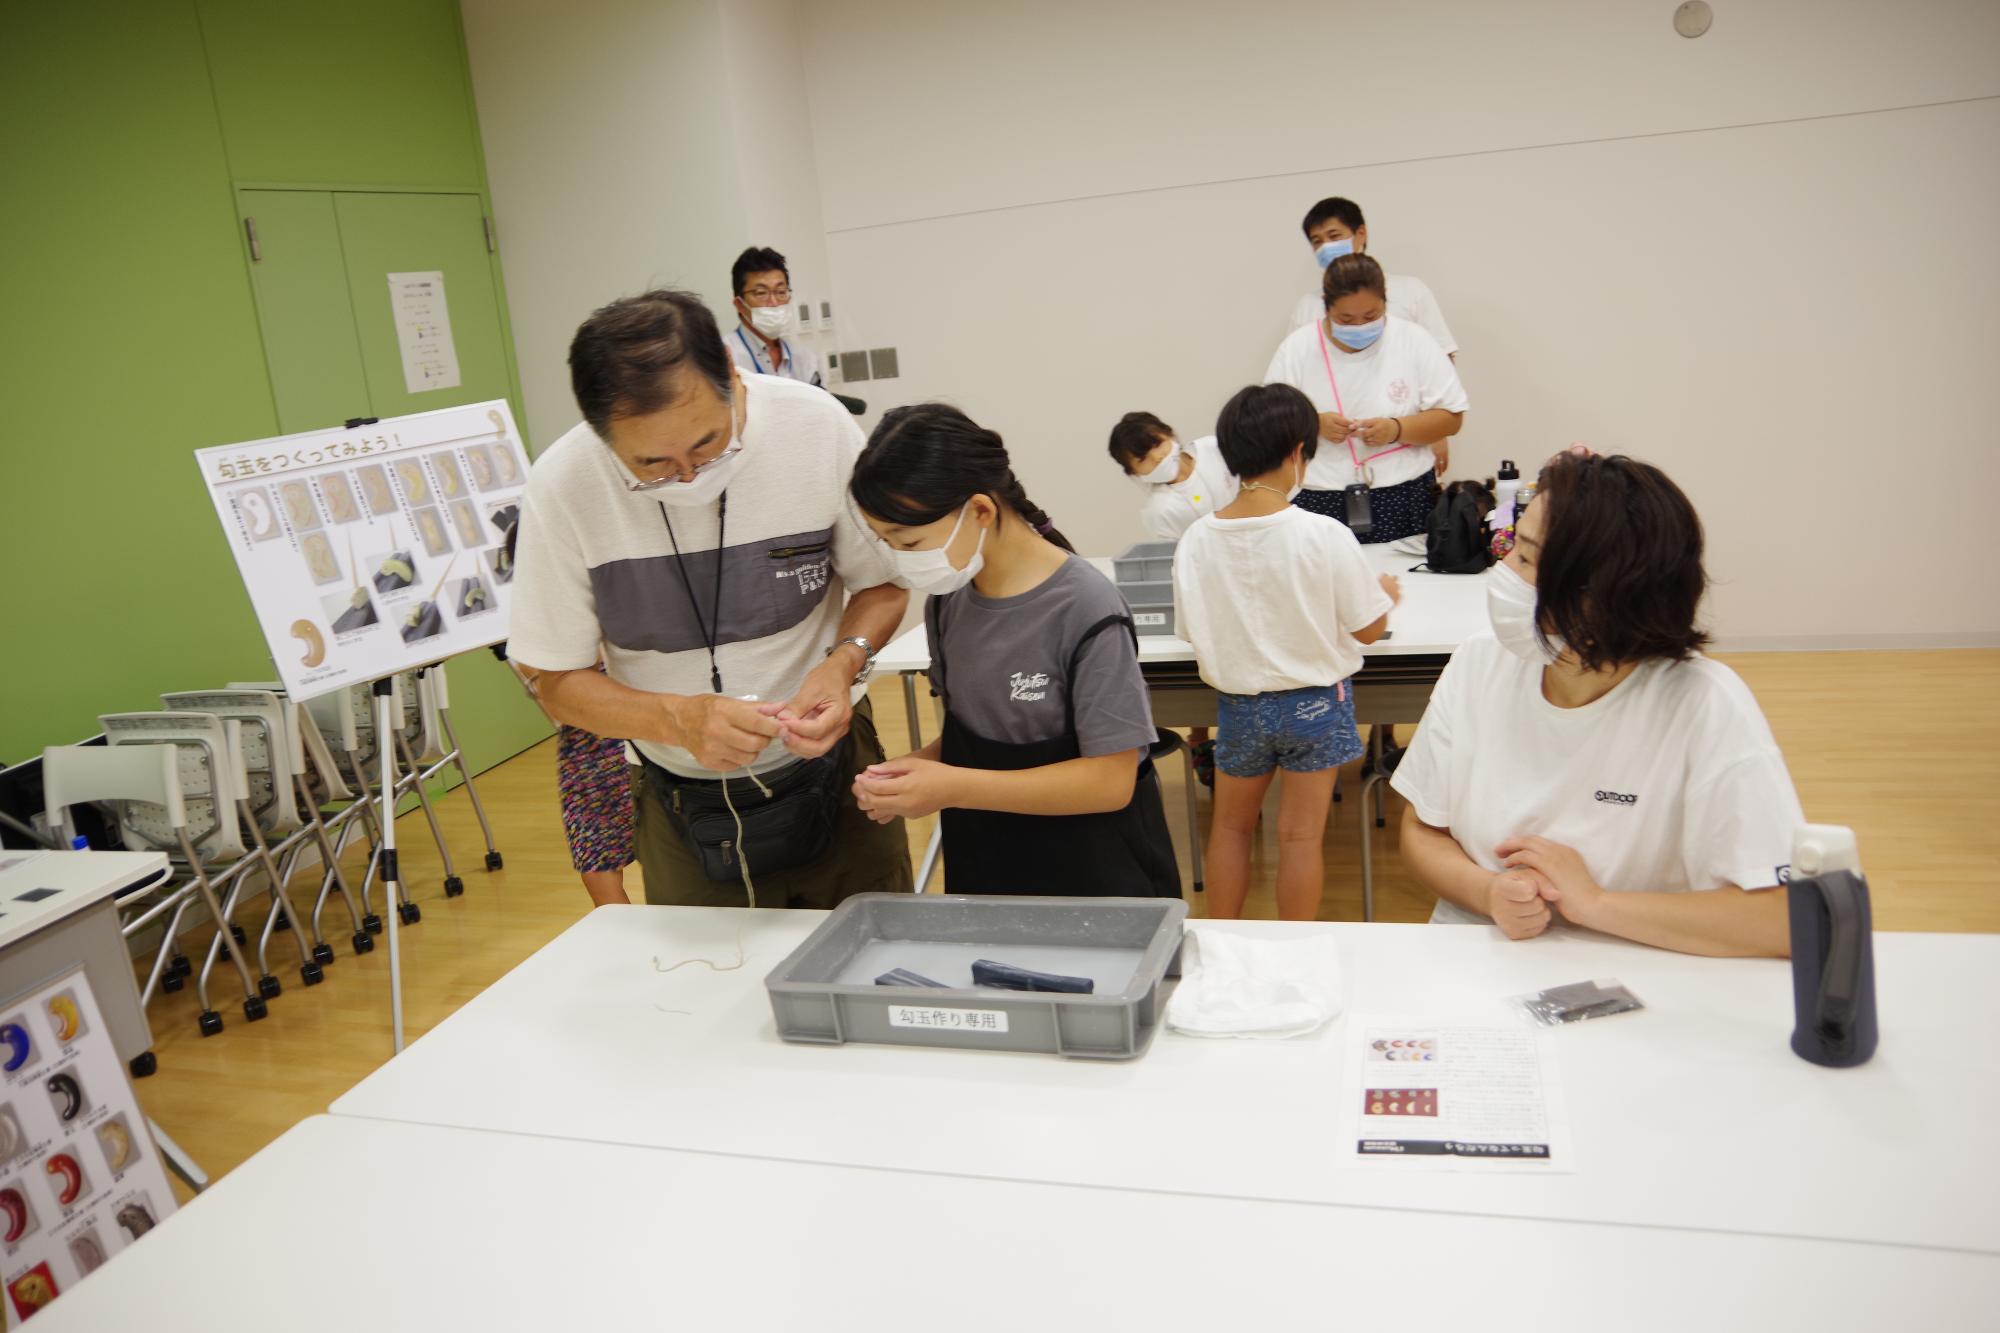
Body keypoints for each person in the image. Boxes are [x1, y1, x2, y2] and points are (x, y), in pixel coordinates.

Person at [507, 289, 913, 908]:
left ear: (729, 371)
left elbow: (882, 583)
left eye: (707, 443)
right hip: (676, 794)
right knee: (704, 964)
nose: (690, 476)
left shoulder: (815, 426)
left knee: (873, 942)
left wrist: (843, 663)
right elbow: (555, 680)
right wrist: (676, 719)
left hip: (836, 766)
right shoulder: (564, 483)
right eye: (652, 464)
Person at [1391, 451, 1805, 957]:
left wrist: (1594, 904)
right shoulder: (1482, 660)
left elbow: (1786, 920)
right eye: (1514, 547)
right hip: (1486, 953)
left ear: (1600, 596)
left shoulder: (1703, 703)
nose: (1503, 569)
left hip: (1639, 963)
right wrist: (1489, 892)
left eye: (1526, 558)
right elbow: (1423, 829)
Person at [848, 404, 1180, 898]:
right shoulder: (949, 600)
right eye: (886, 543)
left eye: (909, 542)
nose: (899, 560)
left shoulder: (1085, 607)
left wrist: (951, 786)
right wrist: (914, 771)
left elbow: (1111, 781)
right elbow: (979, 736)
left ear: (981, 511)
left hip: (1093, 875)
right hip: (988, 862)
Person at [1174, 384, 1398, 920]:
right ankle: (1295, 949)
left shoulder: (1197, 539)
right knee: (1299, 838)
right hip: (1316, 704)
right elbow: (1369, 630)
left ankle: (1221, 943)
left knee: (1231, 828)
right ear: (1299, 452)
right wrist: (1385, 598)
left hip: (1240, 707)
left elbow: (1194, 632)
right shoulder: (1324, 532)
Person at [1264, 253, 1467, 542]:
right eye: (1345, 319)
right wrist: (1313, 424)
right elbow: (1268, 423)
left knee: (1405, 570)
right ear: (1326, 307)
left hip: (1405, 494)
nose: (1359, 326)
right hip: (1320, 497)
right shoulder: (1296, 349)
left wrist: (1396, 429)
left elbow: (1451, 418)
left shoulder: (1414, 341)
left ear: (1385, 301)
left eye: (1371, 316)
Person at [493, 524, 634, 908]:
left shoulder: (607, 589)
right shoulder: (534, 619)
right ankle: (625, 934)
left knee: (660, 847)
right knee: (596, 858)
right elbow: (552, 697)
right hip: (588, 743)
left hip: (637, 729)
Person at [1286, 197, 1457, 360]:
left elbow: (1442, 356)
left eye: (1334, 236)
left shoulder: (1411, 290)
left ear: (1361, 234)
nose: (1326, 247)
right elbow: (1292, 365)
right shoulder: (1306, 306)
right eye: (1317, 241)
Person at [1106, 411, 1240, 541]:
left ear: (1169, 434)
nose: (1156, 457)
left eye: (1157, 444)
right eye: (1142, 459)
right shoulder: (1160, 512)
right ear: (1133, 471)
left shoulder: (1213, 448)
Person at [723, 246, 822, 388]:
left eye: (781, 292)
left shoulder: (804, 359)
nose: (774, 302)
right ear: (740, 304)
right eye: (761, 293)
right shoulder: (723, 358)